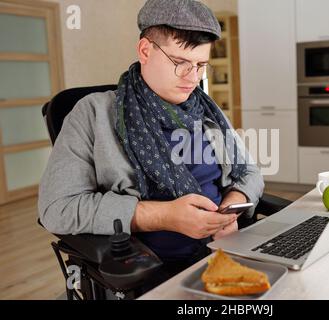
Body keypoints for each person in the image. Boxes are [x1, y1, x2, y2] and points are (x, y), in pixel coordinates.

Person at [38, 0, 264, 275]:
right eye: (180, 62)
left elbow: (250, 172)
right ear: (145, 50)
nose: (192, 78)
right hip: (157, 270)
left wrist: (233, 205)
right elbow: (57, 209)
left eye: (201, 65)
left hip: (225, 254)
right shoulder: (93, 113)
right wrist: (161, 216)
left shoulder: (207, 110)